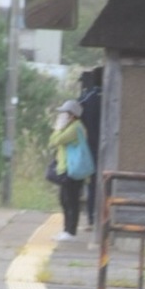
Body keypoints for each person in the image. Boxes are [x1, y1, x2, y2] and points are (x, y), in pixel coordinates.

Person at [49, 98, 91, 241]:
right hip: (67, 168)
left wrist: (58, 129)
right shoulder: (73, 126)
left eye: (64, 113)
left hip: (72, 169)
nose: (62, 116)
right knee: (65, 200)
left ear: (72, 115)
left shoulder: (74, 128)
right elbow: (53, 142)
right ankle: (67, 230)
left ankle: (70, 231)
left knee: (70, 200)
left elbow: (55, 141)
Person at [78, 67, 103, 227]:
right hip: (111, 146)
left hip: (91, 146)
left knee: (93, 182)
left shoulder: (88, 98)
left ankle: (92, 218)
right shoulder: (113, 94)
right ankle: (103, 216)